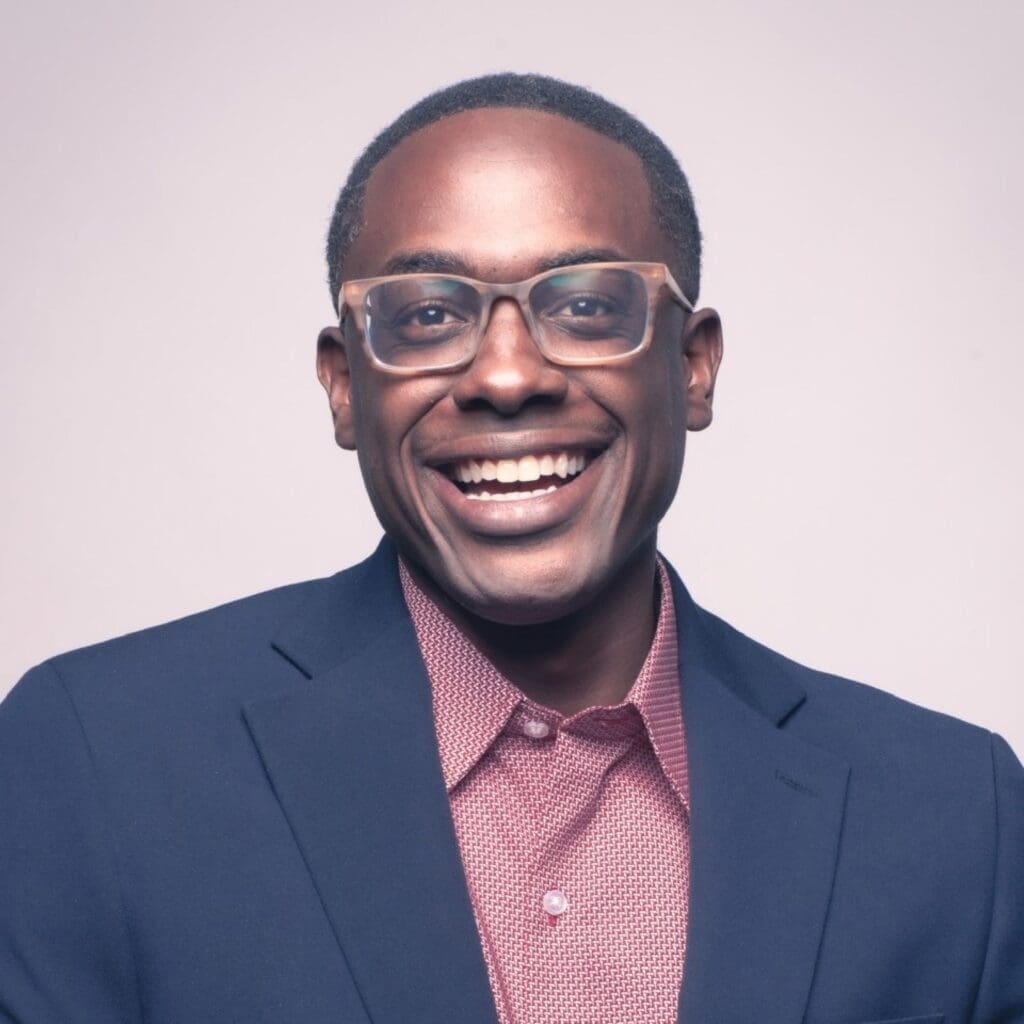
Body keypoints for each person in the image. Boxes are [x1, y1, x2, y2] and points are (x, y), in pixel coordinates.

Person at [0, 73, 1020, 1024]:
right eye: (428, 313)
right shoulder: (95, 761)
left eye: (584, 305)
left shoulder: (953, 819)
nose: (504, 375)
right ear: (344, 385)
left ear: (694, 366)